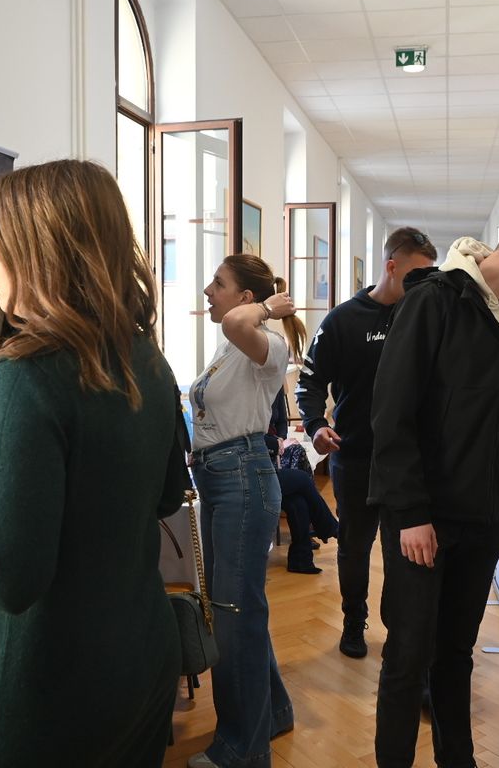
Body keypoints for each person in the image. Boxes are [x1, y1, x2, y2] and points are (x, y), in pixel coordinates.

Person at [0, 160, 187, 767]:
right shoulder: (146, 360)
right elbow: (165, 496)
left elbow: (6, 577)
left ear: (45, 252)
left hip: (38, 695)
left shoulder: (28, 379)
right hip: (137, 664)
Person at [369, 201, 499, 768]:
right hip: (422, 520)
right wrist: (412, 513)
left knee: (456, 655)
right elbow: (392, 415)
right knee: (409, 656)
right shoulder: (432, 302)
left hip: (481, 520)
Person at [295, 226, 437, 657]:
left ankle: (398, 633)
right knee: (354, 548)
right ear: (391, 266)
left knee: (400, 552)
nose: (422, 285)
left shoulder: (424, 318)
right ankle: (353, 620)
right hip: (353, 456)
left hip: (406, 465)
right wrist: (316, 424)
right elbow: (309, 381)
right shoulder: (343, 319)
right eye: (415, 275)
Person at [187, 255, 306, 768]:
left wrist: (269, 309)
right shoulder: (229, 346)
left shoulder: (267, 343)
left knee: (234, 616)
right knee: (237, 612)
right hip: (220, 477)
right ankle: (272, 711)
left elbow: (239, 322)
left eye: (218, 283)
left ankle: (244, 748)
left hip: (241, 477)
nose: (207, 290)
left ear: (246, 298)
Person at [266, 389, 338, 574]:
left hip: (271, 464)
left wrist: (280, 439)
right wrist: (273, 443)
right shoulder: (248, 391)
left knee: (297, 501)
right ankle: (329, 526)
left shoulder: (275, 387)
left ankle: (301, 560)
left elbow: (281, 421)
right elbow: (247, 435)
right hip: (254, 469)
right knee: (302, 480)